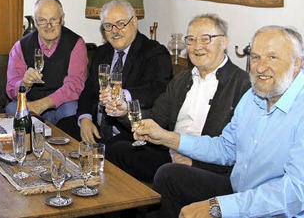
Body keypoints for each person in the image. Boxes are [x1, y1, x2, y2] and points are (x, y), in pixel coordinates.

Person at [135, 25, 304, 217]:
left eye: (272, 57)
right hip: (240, 191)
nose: (260, 67)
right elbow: (225, 148)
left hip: (276, 209)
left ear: (296, 63)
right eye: (256, 57)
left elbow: (296, 194)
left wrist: (219, 207)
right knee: (169, 176)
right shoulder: (253, 96)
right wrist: (166, 137)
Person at [105, 14, 251, 183]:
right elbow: (156, 117)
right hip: (170, 153)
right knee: (117, 150)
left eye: (205, 39)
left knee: (169, 174)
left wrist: (195, 163)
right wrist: (125, 112)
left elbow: (237, 151)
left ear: (224, 42)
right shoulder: (183, 79)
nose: (197, 47)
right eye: (191, 40)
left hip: (209, 167)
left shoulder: (242, 86)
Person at [57, 0, 172, 147]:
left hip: (130, 130)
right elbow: (89, 90)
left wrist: (122, 95)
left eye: (120, 24)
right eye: (108, 26)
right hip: (98, 126)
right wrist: (85, 119)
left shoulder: (154, 52)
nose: (115, 31)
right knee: (63, 128)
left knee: (114, 150)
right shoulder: (101, 52)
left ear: (134, 22)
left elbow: (156, 90)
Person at [6, 0, 88, 124]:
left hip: (61, 105)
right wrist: (24, 84)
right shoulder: (21, 46)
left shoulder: (76, 43)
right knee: (12, 108)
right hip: (31, 104)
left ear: (62, 19)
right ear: (35, 21)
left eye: (53, 19)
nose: (48, 26)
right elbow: (11, 90)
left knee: (72, 109)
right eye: (42, 20)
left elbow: (75, 85)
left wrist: (43, 104)